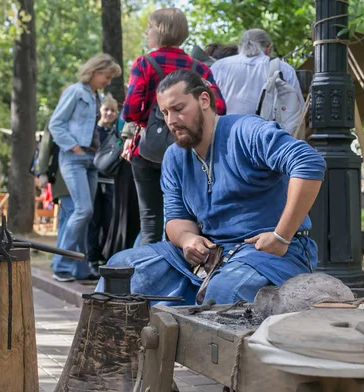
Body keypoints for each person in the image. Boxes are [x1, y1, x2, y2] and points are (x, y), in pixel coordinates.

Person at [96, 69, 326, 307]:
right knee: (120, 270)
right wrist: (187, 239)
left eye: (178, 108)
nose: (171, 121)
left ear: (204, 100)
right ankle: (116, 344)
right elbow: (176, 219)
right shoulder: (175, 157)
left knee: (223, 290)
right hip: (213, 254)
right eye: (164, 113)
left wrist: (281, 235)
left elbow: (308, 162)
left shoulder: (245, 130)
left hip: (274, 253)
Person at [122, 7, 226, 246]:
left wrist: (150, 119)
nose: (147, 32)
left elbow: (130, 110)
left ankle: (145, 279)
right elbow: (218, 106)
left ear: (159, 31)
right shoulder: (200, 68)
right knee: (183, 220)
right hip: (187, 150)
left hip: (148, 151)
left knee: (150, 223)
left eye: (149, 27)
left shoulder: (144, 64)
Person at [48, 54, 122, 281]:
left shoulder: (95, 96)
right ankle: (60, 264)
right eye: (107, 76)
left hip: (91, 160)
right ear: (95, 71)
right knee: (83, 210)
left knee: (86, 215)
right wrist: (74, 147)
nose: (108, 82)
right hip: (74, 159)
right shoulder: (75, 92)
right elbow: (55, 124)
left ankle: (79, 268)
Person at [210, 29, 304, 115]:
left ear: (240, 46)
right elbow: (298, 109)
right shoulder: (284, 68)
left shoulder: (219, 67)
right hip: (270, 131)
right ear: (268, 48)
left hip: (226, 130)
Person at [87, 94, 120, 271]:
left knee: (109, 220)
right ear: (100, 110)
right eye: (106, 109)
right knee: (94, 220)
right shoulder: (93, 130)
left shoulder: (116, 133)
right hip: (94, 178)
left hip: (111, 180)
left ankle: (104, 256)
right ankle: (91, 257)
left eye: (112, 110)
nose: (109, 113)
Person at [102, 121, 141, 260]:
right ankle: (124, 260)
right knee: (129, 215)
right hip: (130, 160)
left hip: (132, 157)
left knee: (132, 216)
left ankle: (122, 259)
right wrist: (129, 137)